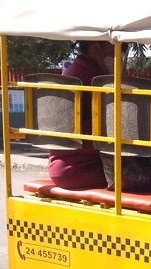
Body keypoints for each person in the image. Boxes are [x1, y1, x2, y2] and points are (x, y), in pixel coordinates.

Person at [47, 41, 113, 189]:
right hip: (84, 169)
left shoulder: (73, 72)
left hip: (62, 167)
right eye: (115, 51)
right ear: (96, 49)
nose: (117, 58)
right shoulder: (96, 80)